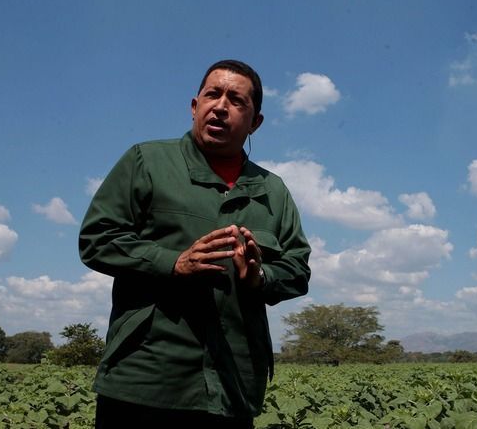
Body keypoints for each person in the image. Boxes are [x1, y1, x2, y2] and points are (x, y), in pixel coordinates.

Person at [79, 59, 311, 428]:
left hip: (233, 387)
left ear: (255, 122)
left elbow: (298, 269)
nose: (220, 106)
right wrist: (173, 262)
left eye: (237, 100)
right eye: (212, 94)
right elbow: (98, 239)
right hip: (145, 379)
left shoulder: (273, 191)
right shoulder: (147, 161)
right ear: (194, 106)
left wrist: (260, 277)